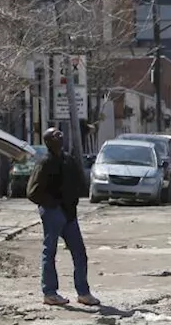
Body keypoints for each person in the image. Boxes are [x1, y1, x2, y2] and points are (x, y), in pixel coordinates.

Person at [26, 127, 100, 307]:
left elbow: (80, 182)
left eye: (61, 133)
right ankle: (50, 293)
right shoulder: (44, 163)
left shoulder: (68, 160)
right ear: (48, 141)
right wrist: (52, 205)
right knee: (49, 252)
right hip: (53, 213)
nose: (60, 136)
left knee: (80, 252)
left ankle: (83, 292)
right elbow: (32, 192)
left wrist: (73, 199)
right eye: (55, 135)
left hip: (69, 213)